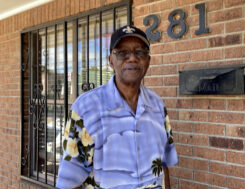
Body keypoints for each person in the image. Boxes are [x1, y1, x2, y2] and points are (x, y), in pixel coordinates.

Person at [56, 25, 178, 189]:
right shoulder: (86, 109)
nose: (132, 58)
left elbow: (163, 165)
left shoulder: (157, 105)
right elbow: (69, 181)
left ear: (148, 60)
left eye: (140, 52)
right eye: (122, 53)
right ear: (111, 61)